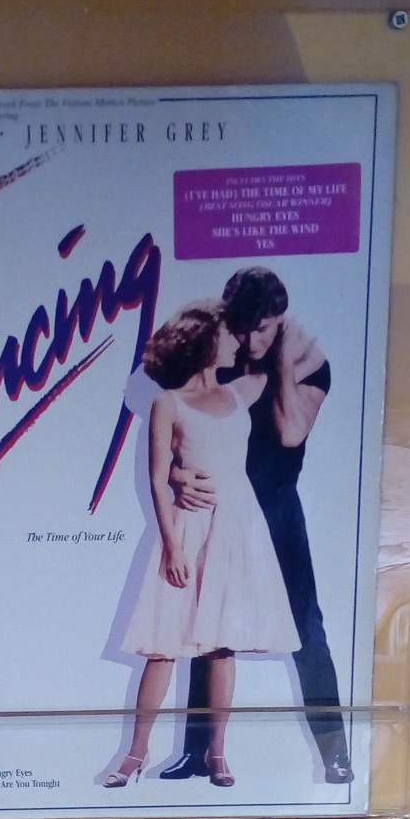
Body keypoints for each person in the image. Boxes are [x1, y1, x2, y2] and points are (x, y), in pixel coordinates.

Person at [159, 267, 354, 785]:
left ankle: (336, 756)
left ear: (281, 321)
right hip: (215, 505)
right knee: (206, 626)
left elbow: (290, 433)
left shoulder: (310, 365)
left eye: (263, 329)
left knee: (307, 631)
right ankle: (197, 752)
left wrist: (282, 359)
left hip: (276, 511)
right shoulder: (215, 360)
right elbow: (172, 426)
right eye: (242, 328)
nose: (250, 341)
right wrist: (176, 476)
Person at [103, 304, 298, 789]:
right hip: (189, 529)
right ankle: (135, 753)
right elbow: (155, 477)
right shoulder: (168, 402)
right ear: (206, 343)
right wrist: (172, 546)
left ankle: (218, 752)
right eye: (227, 335)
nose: (237, 342)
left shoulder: (239, 392)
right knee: (163, 646)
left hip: (237, 528)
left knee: (221, 645)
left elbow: (275, 356)